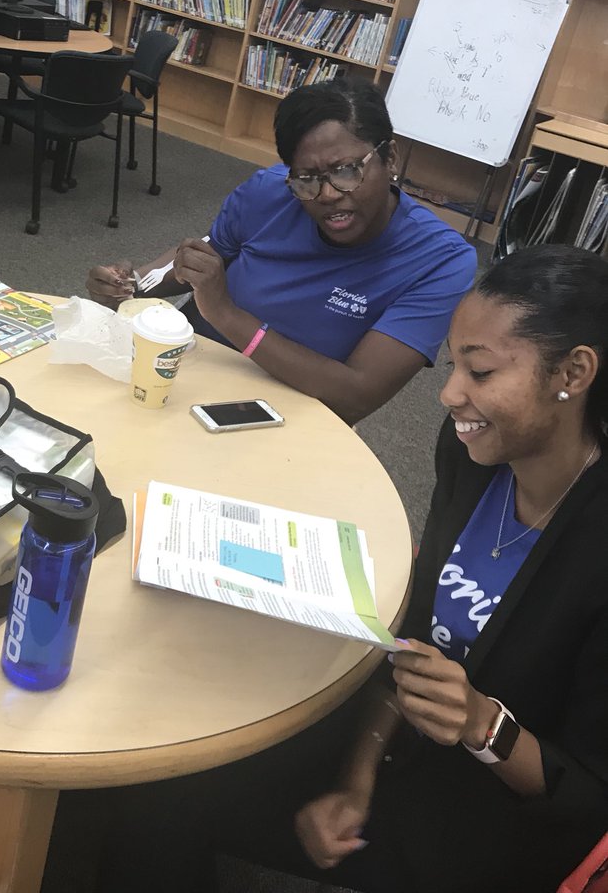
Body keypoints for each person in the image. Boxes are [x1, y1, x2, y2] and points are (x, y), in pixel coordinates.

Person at [54, 244, 608, 893]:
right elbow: (419, 643)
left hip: (485, 805)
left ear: (573, 372)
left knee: (159, 808)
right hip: (394, 727)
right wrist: (359, 772)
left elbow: (588, 797)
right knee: (165, 745)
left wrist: (484, 724)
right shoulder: (475, 454)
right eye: (454, 363)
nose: (450, 393)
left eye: (480, 373)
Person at [86, 78, 477, 423]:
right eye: (306, 179)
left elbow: (357, 396)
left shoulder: (439, 260)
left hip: (285, 413)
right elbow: (205, 257)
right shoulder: (270, 191)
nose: (326, 195)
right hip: (182, 370)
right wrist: (134, 283)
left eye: (345, 171)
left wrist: (226, 315)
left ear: (390, 157)